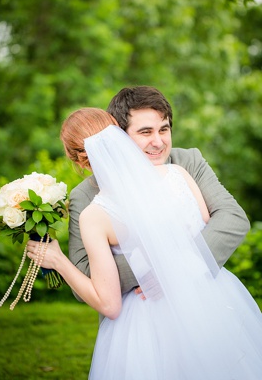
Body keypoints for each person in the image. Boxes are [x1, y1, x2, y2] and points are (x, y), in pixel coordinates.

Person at [27, 107, 262, 378]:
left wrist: (58, 261)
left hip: (149, 319)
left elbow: (110, 305)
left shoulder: (95, 215)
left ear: (77, 160)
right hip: (214, 299)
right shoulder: (177, 175)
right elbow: (204, 228)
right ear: (119, 135)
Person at [65, 86, 249, 299]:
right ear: (119, 137)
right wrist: (152, 269)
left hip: (204, 292)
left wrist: (182, 270)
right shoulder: (86, 194)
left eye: (163, 129)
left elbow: (232, 217)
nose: (158, 142)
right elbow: (84, 277)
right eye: (145, 132)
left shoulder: (188, 162)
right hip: (139, 307)